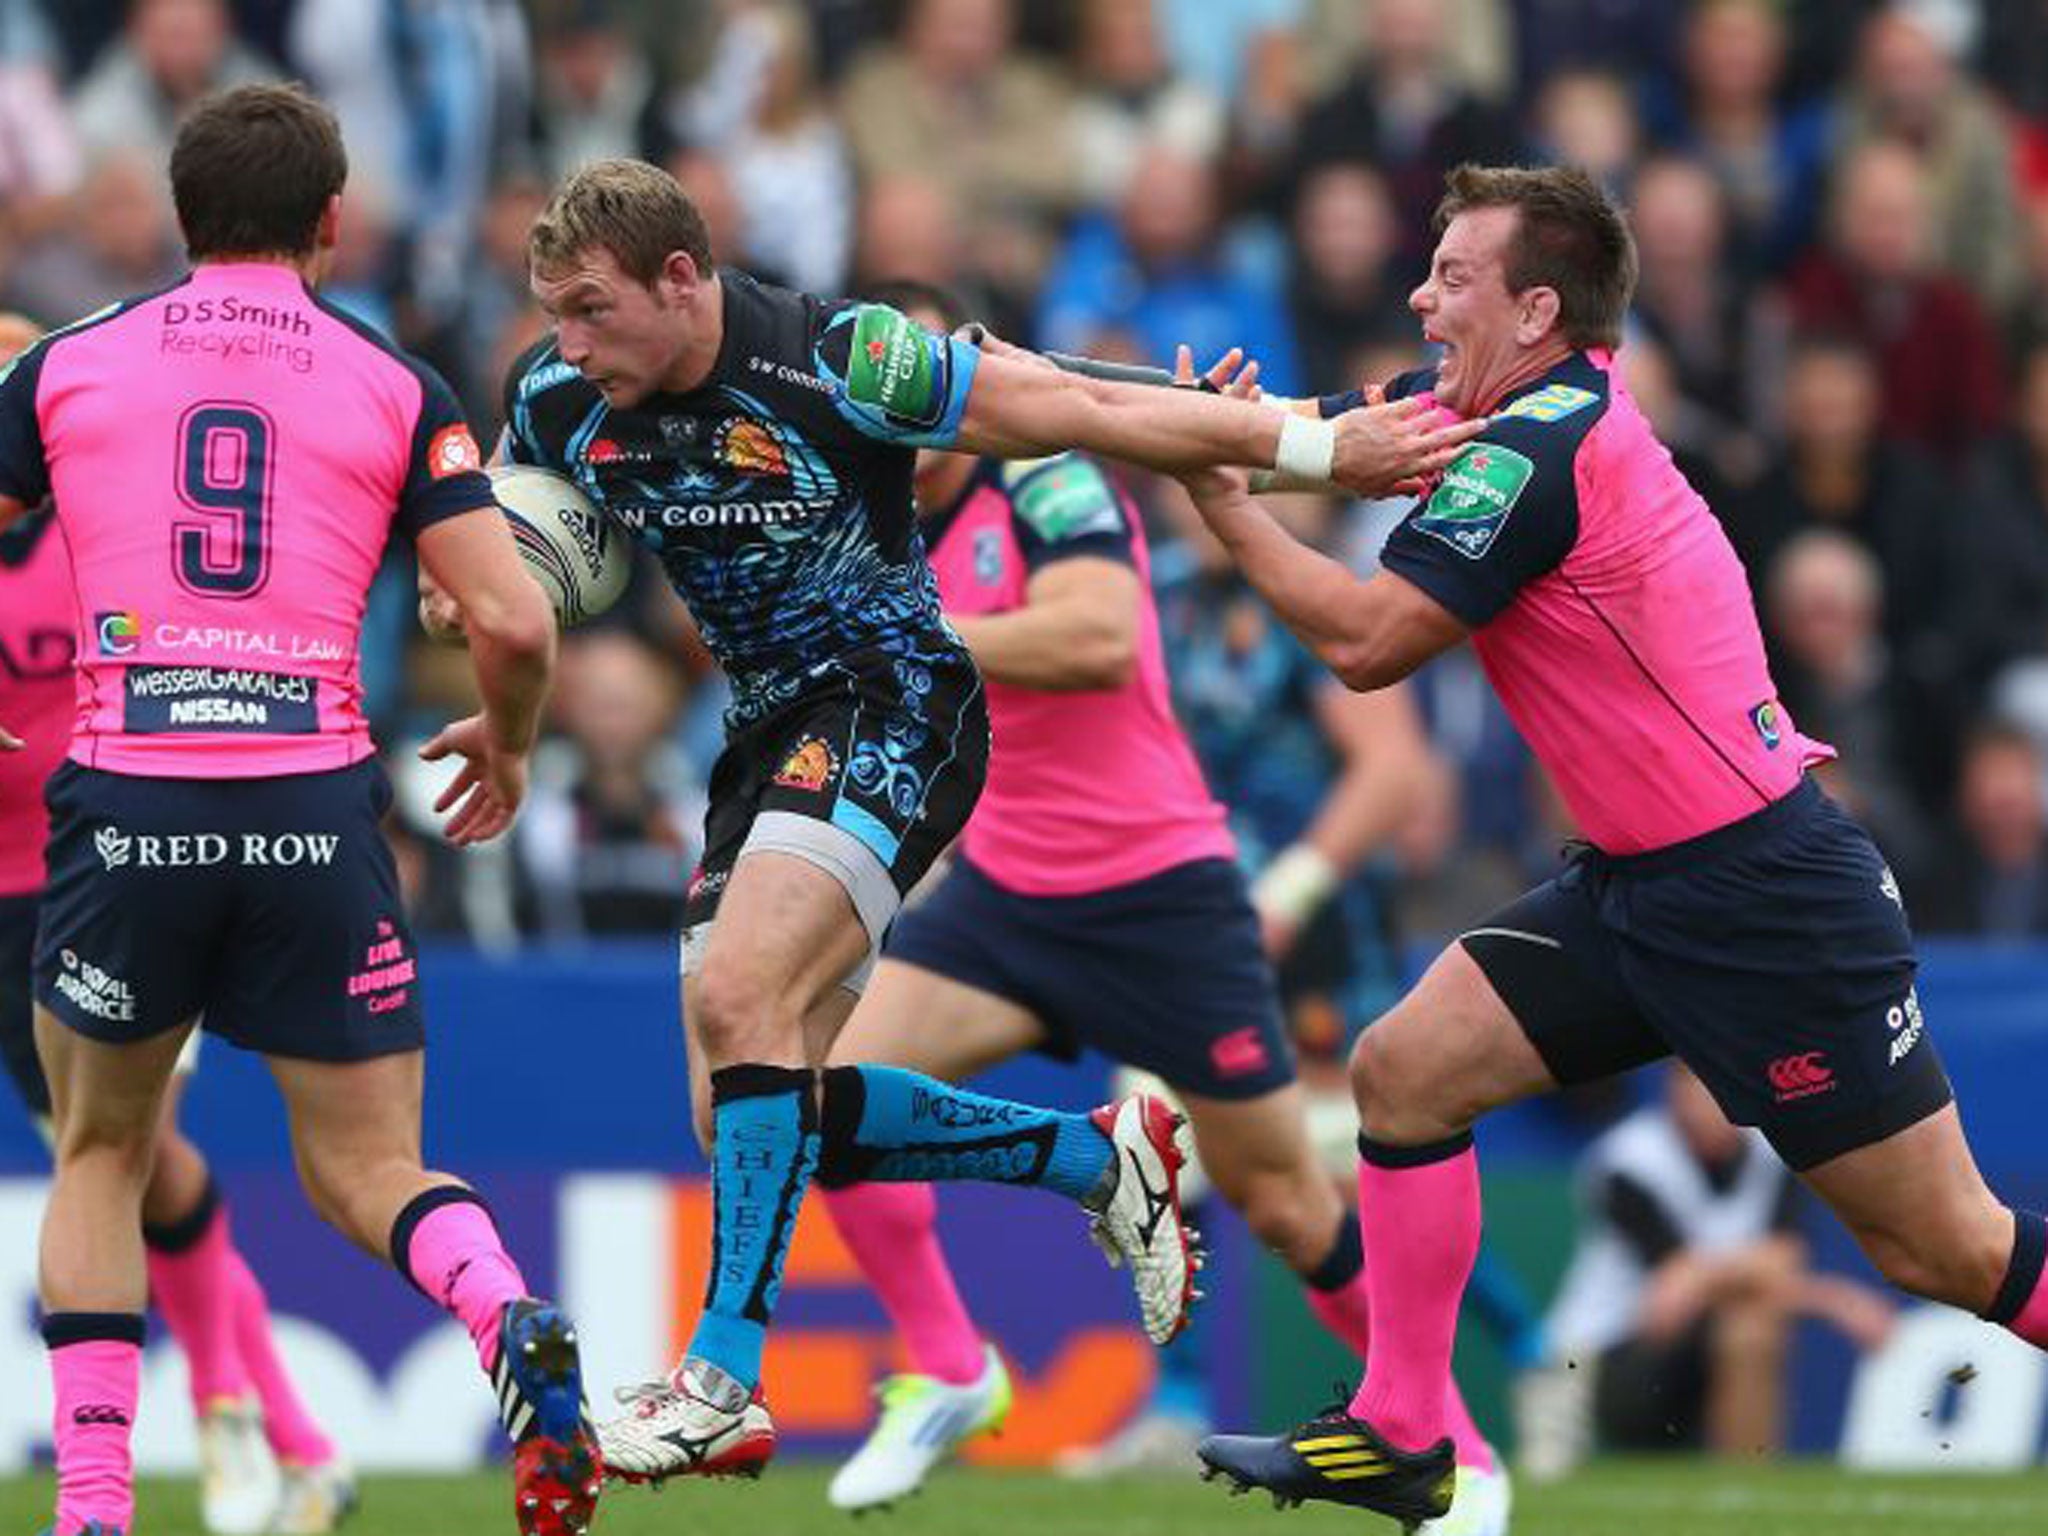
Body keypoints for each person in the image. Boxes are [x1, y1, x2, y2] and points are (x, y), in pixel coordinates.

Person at [477, 156, 1482, 1487]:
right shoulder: (555, 406)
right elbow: (489, 568)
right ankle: (1094, 1163)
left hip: (900, 706)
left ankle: (720, 1380)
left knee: (741, 1003)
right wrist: (496, 692)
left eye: (592, 309)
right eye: (553, 310)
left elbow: (1069, 404)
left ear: (683, 278)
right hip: (766, 738)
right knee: (741, 1115)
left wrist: (1314, 447)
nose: (568, 341)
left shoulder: (844, 360)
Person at [1181, 163, 2048, 1530]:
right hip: (1642, 885)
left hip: (1767, 897)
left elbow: (1365, 645)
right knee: (1403, 1075)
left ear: (1535, 309)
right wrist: (1216, 427)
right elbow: (1330, 428)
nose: (1418, 294)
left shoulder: (1532, 453)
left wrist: (1225, 504)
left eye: (1451, 278)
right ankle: (1407, 1431)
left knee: (1942, 1245)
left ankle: (1411, 1426)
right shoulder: (1515, 408)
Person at [804, 281, 1505, 1534]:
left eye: (906, 389)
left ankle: (1444, 1439)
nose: (884, 420)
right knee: (811, 1103)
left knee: (1286, 1203)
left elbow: (1096, 638)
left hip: (1160, 899)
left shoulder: (1044, 478)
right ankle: (951, 1367)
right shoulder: (867, 523)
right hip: (1009, 896)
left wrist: (908, 633)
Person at [0, 84, 596, 1536]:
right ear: (333, 222)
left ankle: (91, 1510)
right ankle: (507, 1312)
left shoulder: (65, 362)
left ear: (184, 212)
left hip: (130, 805)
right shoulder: (396, 382)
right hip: (311, 806)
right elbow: (513, 626)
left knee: (100, 1154)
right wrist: (508, 752)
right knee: (369, 1166)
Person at [0, 314, 350, 1536]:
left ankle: (236, 1422)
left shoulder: (108, 535)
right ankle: (289, 1439)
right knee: (118, 1165)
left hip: (99, 869)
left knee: (132, 1158)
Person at [1528, 1064, 1892, 1472]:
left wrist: (1724, 1277)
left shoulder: (1773, 1153)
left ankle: (1749, 1485)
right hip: (1606, 1357)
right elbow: (1674, 1291)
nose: (1713, 1105)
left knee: (1750, 1325)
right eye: (1700, 1089)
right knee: (1744, 1314)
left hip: (1703, 1352)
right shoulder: (1627, 1160)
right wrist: (1830, 1300)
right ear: (1674, 1093)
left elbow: (1779, 1264)